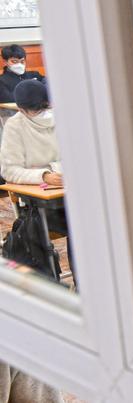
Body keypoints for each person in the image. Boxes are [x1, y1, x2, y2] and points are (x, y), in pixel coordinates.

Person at [0, 80, 73, 282]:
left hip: (70, 192)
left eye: (46, 107)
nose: (44, 113)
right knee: (71, 225)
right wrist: (44, 175)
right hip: (41, 202)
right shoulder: (15, 126)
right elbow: (9, 171)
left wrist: (55, 169)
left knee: (87, 225)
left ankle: (86, 282)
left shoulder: (64, 118)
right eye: (36, 110)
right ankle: (54, 283)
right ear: (22, 110)